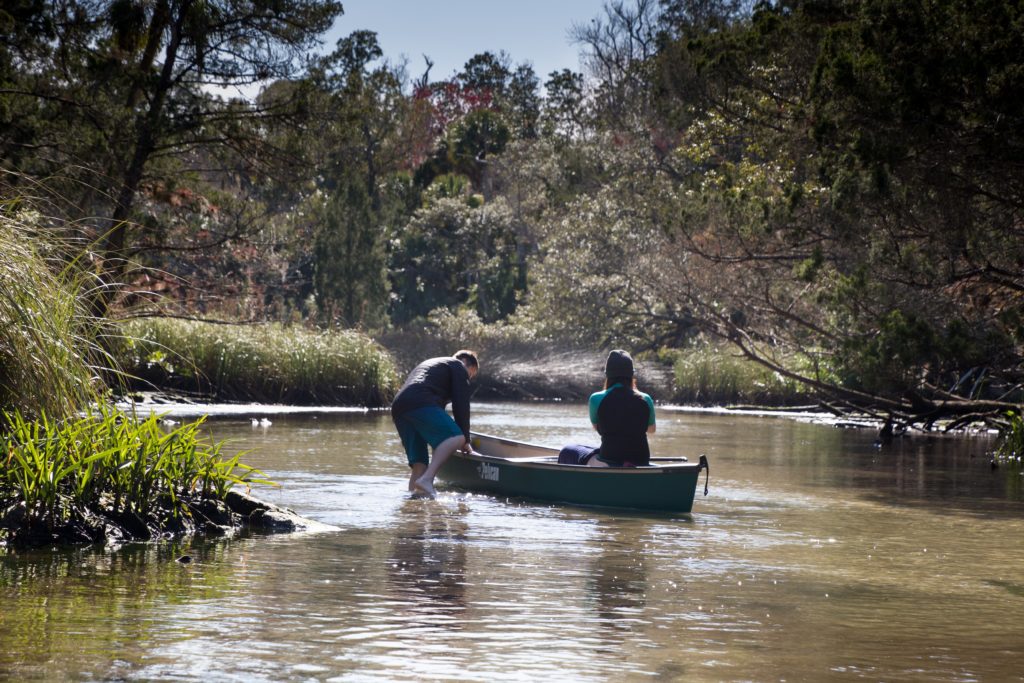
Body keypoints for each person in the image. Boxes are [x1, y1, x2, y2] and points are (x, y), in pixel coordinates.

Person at [391, 350, 479, 498]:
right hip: (420, 402)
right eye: (471, 373)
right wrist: (466, 440)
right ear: (466, 363)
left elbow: (437, 413)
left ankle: (412, 506)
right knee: (456, 437)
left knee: (420, 463)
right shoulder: (458, 366)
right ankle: (427, 480)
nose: (469, 378)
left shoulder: (435, 365)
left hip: (400, 407)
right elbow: (461, 405)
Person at [586, 349, 656, 467]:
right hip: (640, 460)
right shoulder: (646, 399)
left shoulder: (595, 398)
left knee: (571, 450)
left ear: (607, 374)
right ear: (631, 375)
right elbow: (651, 429)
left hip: (609, 459)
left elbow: (597, 428)